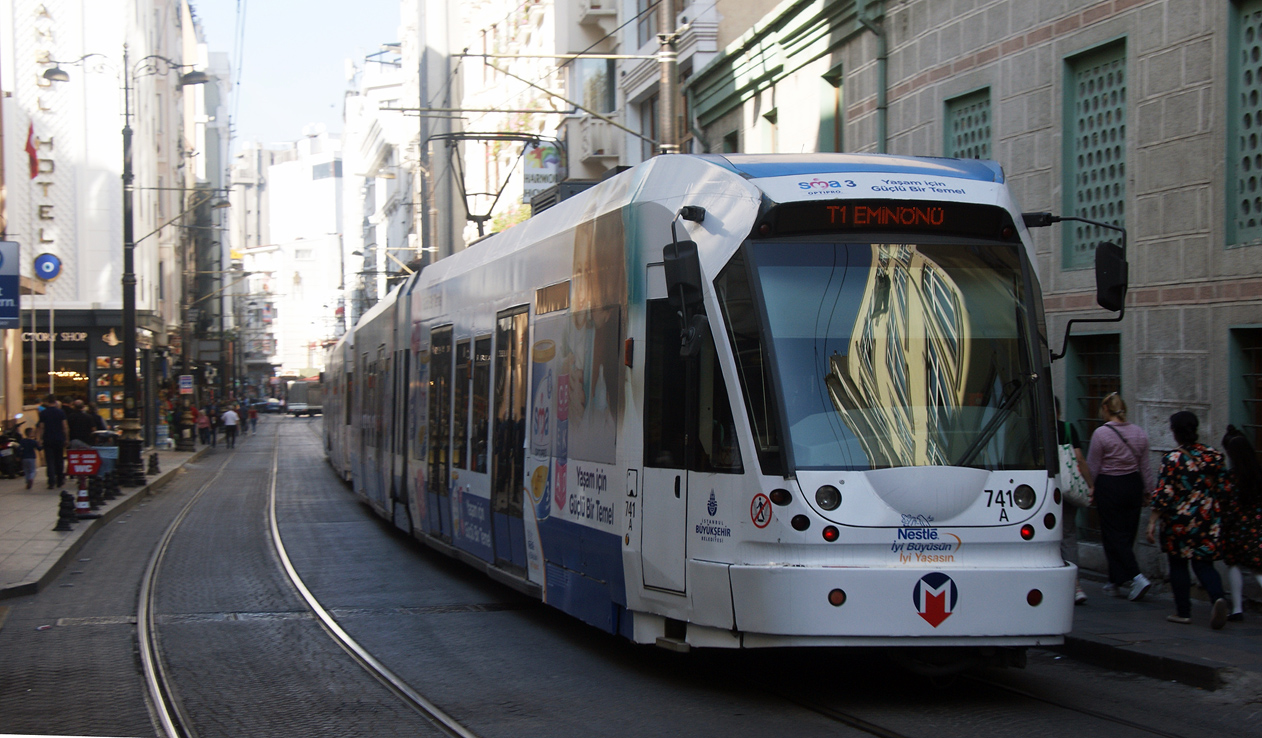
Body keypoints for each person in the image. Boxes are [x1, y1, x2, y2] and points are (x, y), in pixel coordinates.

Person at [1146, 411, 1230, 629]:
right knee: (1204, 565)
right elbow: (1225, 489)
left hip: (1179, 522)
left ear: (1175, 433)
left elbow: (1164, 494)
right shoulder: (1214, 456)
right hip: (1207, 520)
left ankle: (1183, 612)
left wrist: (1152, 521)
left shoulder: (1173, 459)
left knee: (1178, 564)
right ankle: (1218, 597)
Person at [1086, 392, 1154, 601]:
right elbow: (1145, 467)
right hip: (1132, 484)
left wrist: (1089, 488)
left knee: (1113, 534)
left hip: (1110, 485)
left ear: (1106, 409)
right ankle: (1114, 581)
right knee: (1127, 533)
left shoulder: (1101, 434)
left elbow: (1093, 466)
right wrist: (1149, 491)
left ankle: (1136, 576)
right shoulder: (1139, 433)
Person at [1220, 425, 1262, 622]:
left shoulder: (1231, 478)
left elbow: (1226, 505)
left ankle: (1237, 609)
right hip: (1257, 528)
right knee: (1258, 569)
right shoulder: (1258, 475)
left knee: (1234, 565)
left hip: (1236, 529)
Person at [1056, 397, 1093, 605]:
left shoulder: (1035, 428)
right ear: (1059, 411)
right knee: (1069, 535)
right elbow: (1079, 459)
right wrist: (1089, 485)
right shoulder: (1068, 429)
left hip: (1044, 488)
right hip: (1068, 490)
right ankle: (1075, 584)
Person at [36, 395, 68, 489]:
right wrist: (66, 438)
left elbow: (42, 426)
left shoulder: (43, 413)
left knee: (50, 461)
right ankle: (60, 480)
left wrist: (40, 438)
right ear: (55, 401)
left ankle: (51, 481)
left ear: (47, 402)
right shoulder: (61, 412)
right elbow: (65, 427)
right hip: (59, 438)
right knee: (59, 459)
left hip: (48, 438)